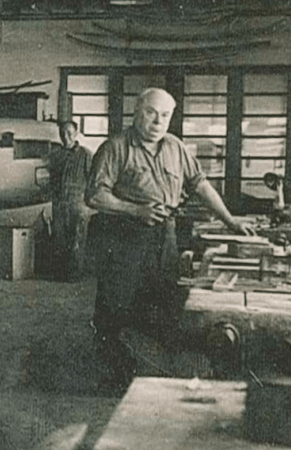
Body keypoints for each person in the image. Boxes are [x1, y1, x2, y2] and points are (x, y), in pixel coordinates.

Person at [84, 88, 253, 392]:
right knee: (115, 308)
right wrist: (136, 210)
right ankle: (114, 378)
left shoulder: (175, 147)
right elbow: (95, 196)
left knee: (164, 304)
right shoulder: (115, 147)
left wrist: (230, 221)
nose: (158, 121)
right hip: (124, 238)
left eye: (165, 115)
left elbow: (200, 185)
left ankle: (152, 375)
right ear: (137, 111)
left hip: (165, 236)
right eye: (151, 113)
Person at [47, 121, 93, 282]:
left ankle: (74, 275)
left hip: (78, 204)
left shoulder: (86, 155)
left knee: (77, 240)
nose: (65, 137)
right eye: (62, 133)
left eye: (69, 133)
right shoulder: (56, 156)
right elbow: (52, 180)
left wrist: (88, 203)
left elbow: (93, 180)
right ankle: (60, 273)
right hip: (60, 204)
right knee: (60, 239)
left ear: (76, 133)